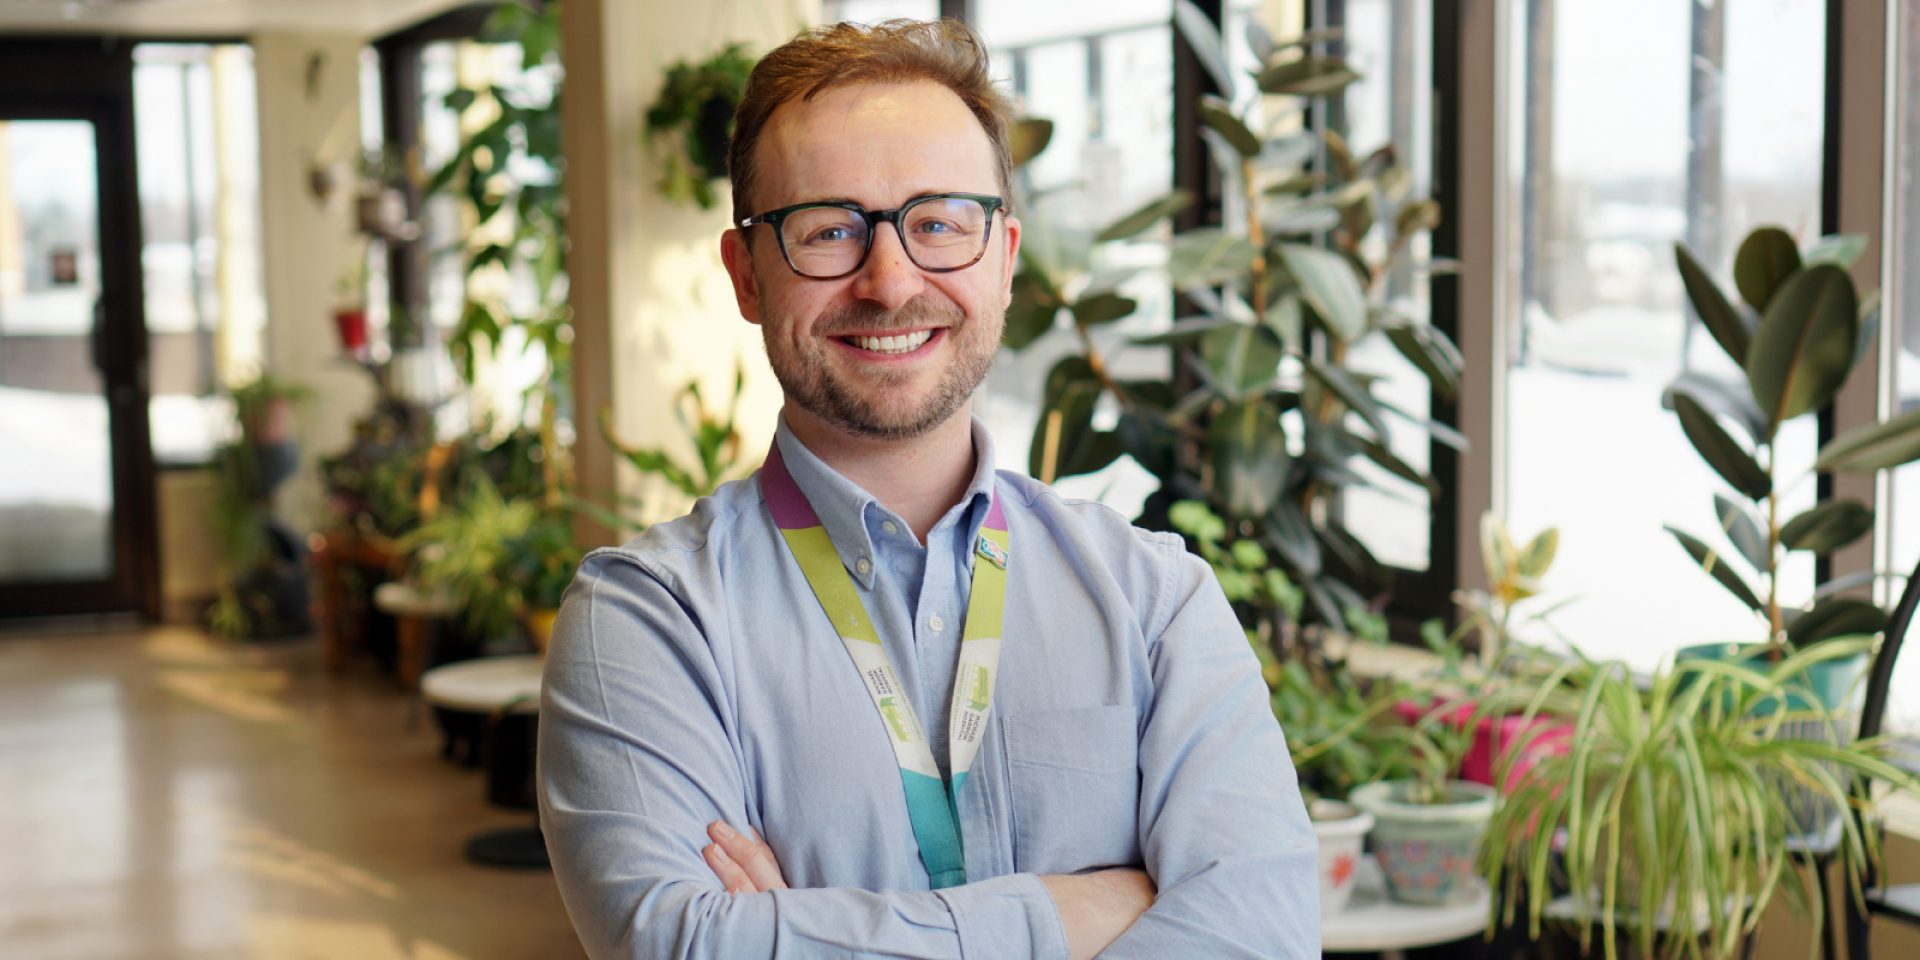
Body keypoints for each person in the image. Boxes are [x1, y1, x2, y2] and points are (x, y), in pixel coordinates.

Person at [538, 18, 1318, 960]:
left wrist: (794, 932)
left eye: (940, 222)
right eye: (828, 230)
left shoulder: (1153, 598)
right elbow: (680, 948)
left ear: (1004, 254)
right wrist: (1076, 913)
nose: (890, 279)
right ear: (746, 275)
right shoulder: (650, 618)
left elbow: (1264, 935)